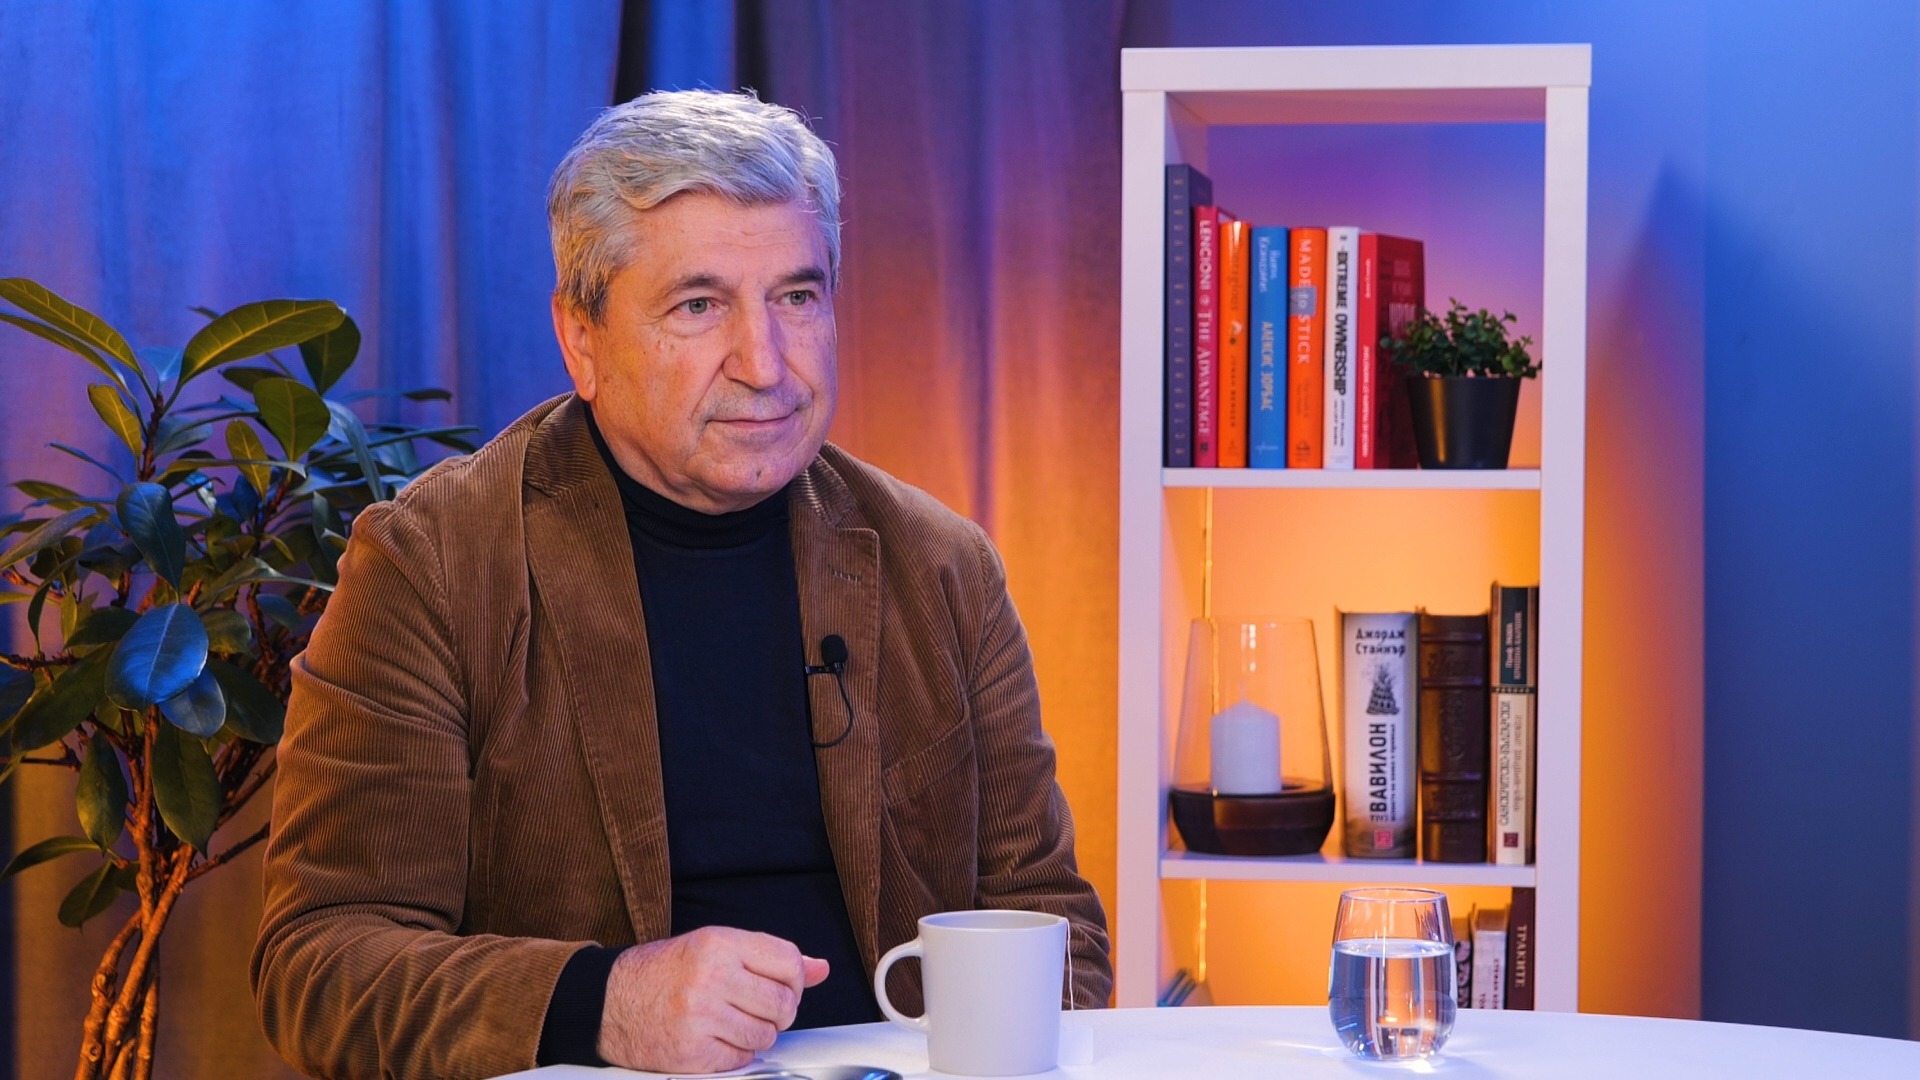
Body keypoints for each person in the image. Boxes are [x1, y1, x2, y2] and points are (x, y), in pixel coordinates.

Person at [249, 88, 1111, 1079]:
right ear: (582, 339)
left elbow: (1055, 929)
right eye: (700, 306)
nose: (766, 364)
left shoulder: (942, 564)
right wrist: (604, 1003)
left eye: (797, 297)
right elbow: (323, 962)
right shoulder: (433, 567)